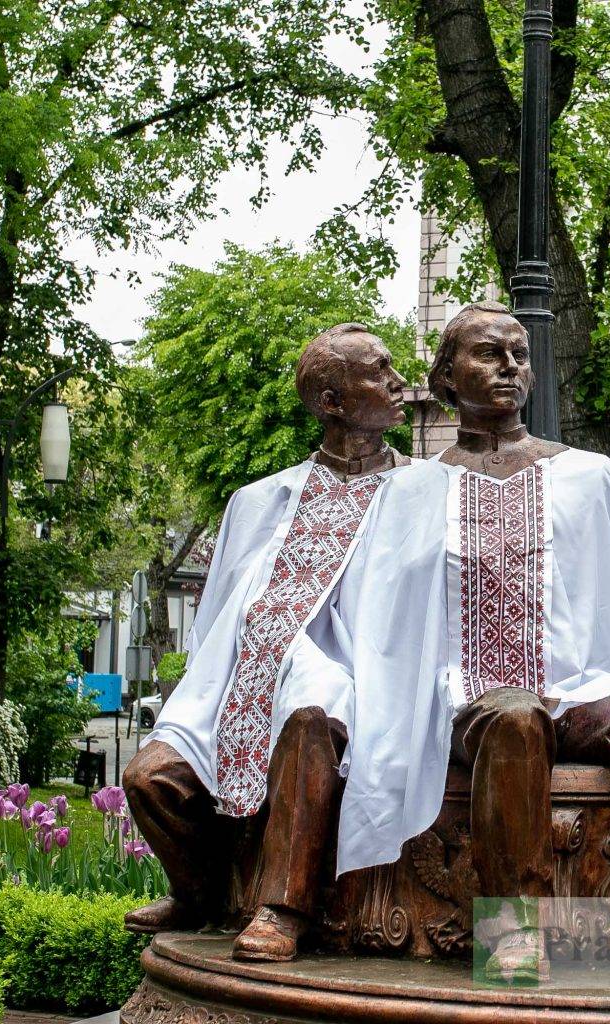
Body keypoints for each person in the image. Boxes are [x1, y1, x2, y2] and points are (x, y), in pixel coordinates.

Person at [332, 301, 610, 989]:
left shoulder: (590, 474)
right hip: (473, 699)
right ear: (447, 377)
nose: (511, 365)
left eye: (519, 353)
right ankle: (515, 935)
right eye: (488, 353)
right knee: (514, 715)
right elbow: (385, 624)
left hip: (585, 691)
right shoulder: (411, 491)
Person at [121, 324, 411, 962]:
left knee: (312, 719)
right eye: (377, 372)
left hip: (352, 669)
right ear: (332, 402)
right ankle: (200, 895)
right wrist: (204, 691)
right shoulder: (257, 501)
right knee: (147, 778)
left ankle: (283, 909)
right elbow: (220, 606)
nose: (398, 382)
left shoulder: (420, 493)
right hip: (244, 671)